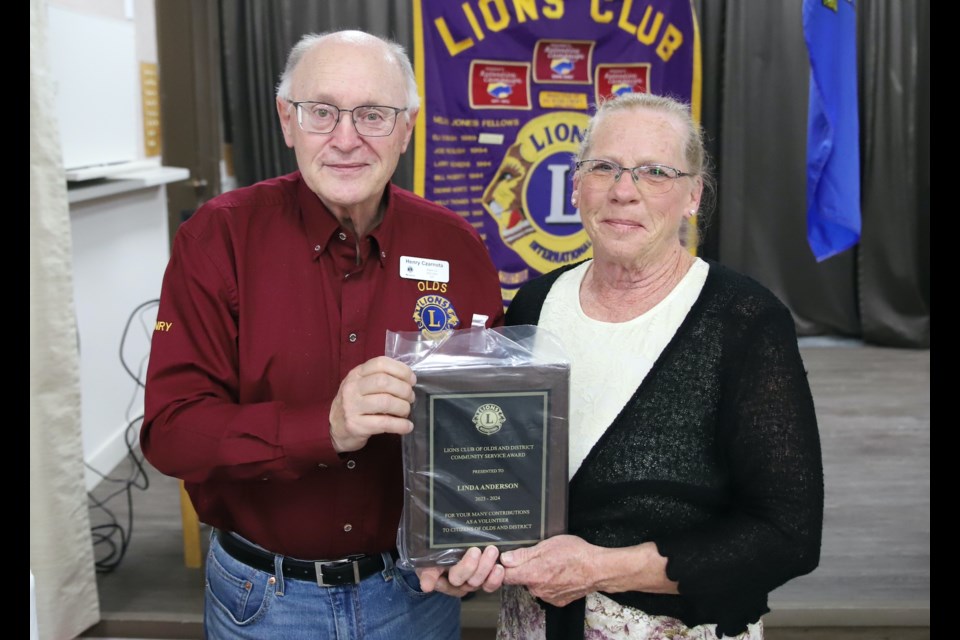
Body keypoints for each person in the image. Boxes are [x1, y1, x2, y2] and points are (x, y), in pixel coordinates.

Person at [140, 29, 504, 639]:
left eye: (372, 115)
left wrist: (475, 541)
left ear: (407, 128)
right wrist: (324, 428)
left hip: (415, 595)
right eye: (321, 112)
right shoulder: (217, 239)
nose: (345, 138)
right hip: (264, 599)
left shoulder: (457, 248)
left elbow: (482, 429)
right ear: (287, 121)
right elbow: (171, 433)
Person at [420, 92, 825, 639]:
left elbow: (788, 535)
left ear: (692, 196)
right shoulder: (534, 306)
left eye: (655, 172)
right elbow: (497, 475)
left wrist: (601, 568)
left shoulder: (745, 320)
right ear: (576, 184)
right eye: (603, 167)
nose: (623, 191)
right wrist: (463, 550)